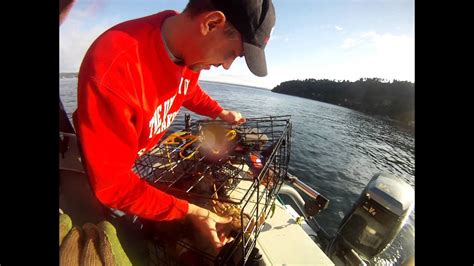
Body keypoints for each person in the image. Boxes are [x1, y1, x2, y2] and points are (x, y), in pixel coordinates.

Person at [73, 0, 276, 251]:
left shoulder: (188, 53)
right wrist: (192, 212)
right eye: (232, 54)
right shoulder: (114, 69)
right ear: (211, 23)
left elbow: (187, 90)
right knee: (121, 224)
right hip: (107, 168)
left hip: (137, 154)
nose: (226, 66)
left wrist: (220, 112)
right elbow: (113, 185)